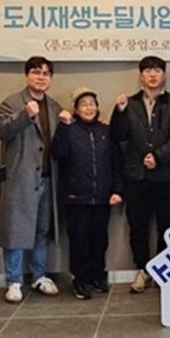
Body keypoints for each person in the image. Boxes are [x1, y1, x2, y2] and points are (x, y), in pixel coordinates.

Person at [110, 56, 170, 294]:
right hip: (137, 176)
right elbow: (118, 136)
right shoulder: (129, 103)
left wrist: (158, 157)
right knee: (138, 226)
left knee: (168, 226)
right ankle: (142, 270)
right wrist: (119, 112)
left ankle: (163, 272)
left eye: (157, 71)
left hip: (169, 176)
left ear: (164, 74)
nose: (153, 75)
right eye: (148, 71)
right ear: (141, 75)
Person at [0, 56, 61, 303]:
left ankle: (39, 276)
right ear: (26, 76)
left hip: (48, 179)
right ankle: (13, 281)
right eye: (36, 72)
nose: (41, 77)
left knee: (42, 230)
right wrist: (24, 115)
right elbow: (0, 131)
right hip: (20, 178)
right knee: (15, 230)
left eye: (46, 73)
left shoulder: (54, 106)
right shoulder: (12, 102)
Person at [51, 87, 124, 299]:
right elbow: (58, 153)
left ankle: (97, 277)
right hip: (76, 198)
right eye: (83, 104)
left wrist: (118, 190)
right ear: (76, 109)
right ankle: (80, 280)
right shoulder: (69, 129)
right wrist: (63, 127)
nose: (89, 108)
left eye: (92, 104)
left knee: (99, 240)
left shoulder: (106, 131)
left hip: (102, 197)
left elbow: (116, 162)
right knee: (79, 241)